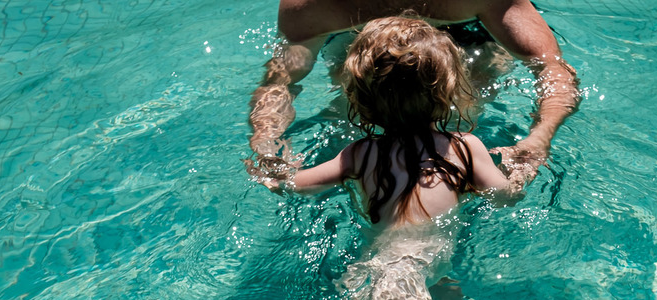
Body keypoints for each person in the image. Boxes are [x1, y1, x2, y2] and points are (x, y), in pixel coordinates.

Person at [231, 16, 518, 300]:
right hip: (400, 280)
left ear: (361, 101)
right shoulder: (466, 147)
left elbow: (292, 186)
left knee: (449, 296)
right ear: (450, 91)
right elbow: (507, 195)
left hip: (377, 276)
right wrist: (516, 168)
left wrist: (272, 165)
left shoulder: (358, 154)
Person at [248, 0, 578, 189]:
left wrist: (539, 138)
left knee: (468, 100)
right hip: (351, 37)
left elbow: (553, 70)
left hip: (473, 38)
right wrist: (268, 140)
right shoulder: (312, 4)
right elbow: (279, 83)